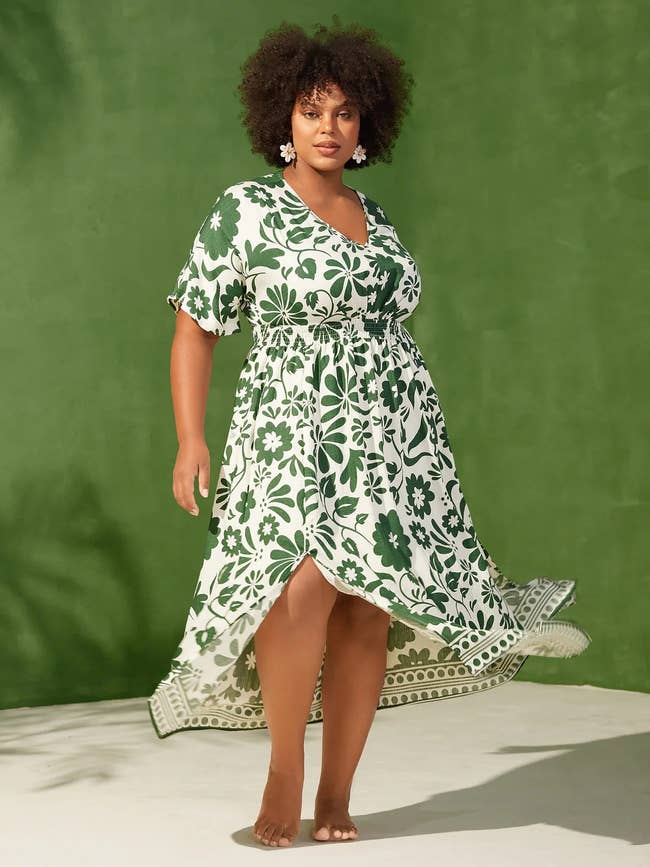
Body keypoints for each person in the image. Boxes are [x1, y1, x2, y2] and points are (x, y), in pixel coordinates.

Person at [148, 18, 591, 849]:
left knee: (364, 608)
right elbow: (194, 326)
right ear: (282, 117)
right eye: (312, 110)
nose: (329, 127)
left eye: (345, 112)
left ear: (365, 125)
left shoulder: (373, 215)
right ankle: (285, 768)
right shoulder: (245, 211)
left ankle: (337, 790)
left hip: (391, 436)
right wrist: (189, 437)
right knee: (297, 589)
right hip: (289, 430)